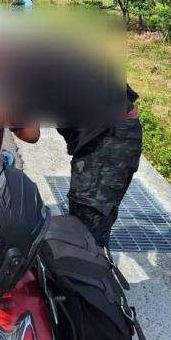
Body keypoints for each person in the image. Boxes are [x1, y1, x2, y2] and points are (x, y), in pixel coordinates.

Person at [58, 85, 142, 249]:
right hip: (116, 129)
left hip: (107, 140)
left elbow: (30, 133)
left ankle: (89, 262)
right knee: (89, 229)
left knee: (86, 236)